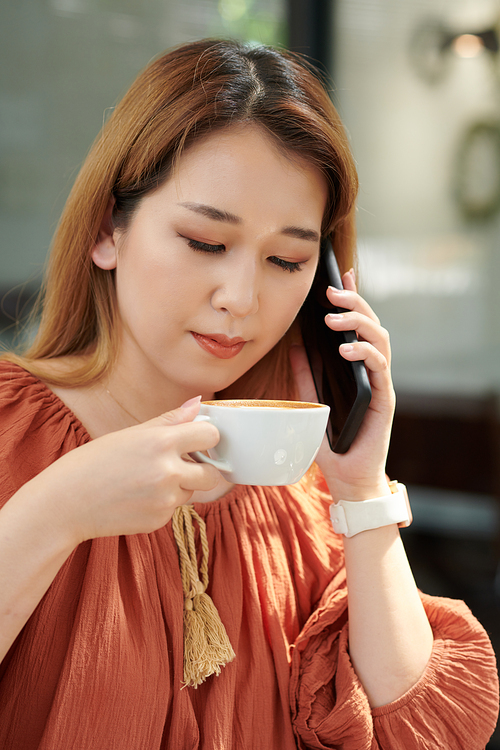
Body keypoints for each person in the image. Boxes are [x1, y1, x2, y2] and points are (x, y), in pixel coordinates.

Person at [0, 38, 497, 750]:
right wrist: (55, 511)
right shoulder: (11, 434)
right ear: (106, 231)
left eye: (287, 260)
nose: (241, 298)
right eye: (205, 242)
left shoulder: (301, 500)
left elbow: (421, 735)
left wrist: (360, 489)